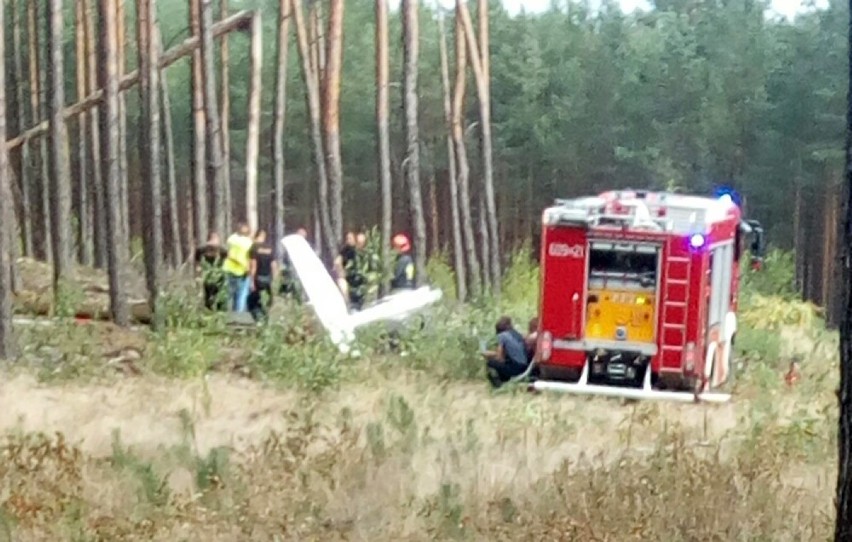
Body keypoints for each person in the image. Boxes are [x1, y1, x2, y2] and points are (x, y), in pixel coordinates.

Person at [482, 316, 530, 388]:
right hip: (525, 366)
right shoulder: (517, 334)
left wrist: (488, 354)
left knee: (491, 363)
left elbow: (500, 357)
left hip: (516, 367)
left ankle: (499, 386)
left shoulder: (502, 336)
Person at [221, 222, 254, 313]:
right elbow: (249, 257)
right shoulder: (248, 242)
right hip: (242, 271)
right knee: (241, 296)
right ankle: (238, 316)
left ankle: (225, 314)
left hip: (228, 269)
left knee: (229, 295)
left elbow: (229, 253)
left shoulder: (231, 239)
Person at [248, 229, 278, 321]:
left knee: (253, 302)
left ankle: (258, 321)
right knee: (266, 301)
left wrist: (251, 281)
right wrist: (275, 280)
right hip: (268, 278)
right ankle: (266, 320)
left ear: (256, 236)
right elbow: (274, 265)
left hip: (258, 278)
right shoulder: (270, 248)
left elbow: (253, 265)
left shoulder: (254, 247)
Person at [194, 232, 228, 310]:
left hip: (217, 276)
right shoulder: (202, 250)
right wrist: (198, 273)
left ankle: (216, 311)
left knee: (217, 297)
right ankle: (211, 311)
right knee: (209, 296)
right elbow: (197, 263)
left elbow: (227, 260)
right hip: (209, 275)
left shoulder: (222, 250)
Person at [280, 227, 309, 300]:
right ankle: (288, 297)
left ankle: (301, 299)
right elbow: (285, 259)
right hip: (290, 269)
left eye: (303, 236)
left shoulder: (306, 247)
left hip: (301, 270)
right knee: (289, 283)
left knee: (301, 285)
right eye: (300, 235)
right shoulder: (291, 246)